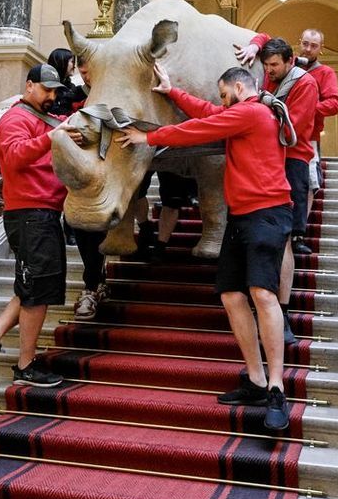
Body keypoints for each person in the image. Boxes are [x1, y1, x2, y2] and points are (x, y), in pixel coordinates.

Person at [121, 64, 295, 433]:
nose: (220, 100)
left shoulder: (252, 112)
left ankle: (277, 386)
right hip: (242, 215)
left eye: (223, 93)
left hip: (267, 214)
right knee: (232, 295)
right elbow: (210, 113)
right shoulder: (243, 111)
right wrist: (171, 91)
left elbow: (200, 127)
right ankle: (255, 379)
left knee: (262, 294)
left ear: (237, 87)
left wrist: (147, 138)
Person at [0, 65, 70, 388]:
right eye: (46, 89)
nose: (52, 96)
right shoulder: (15, 119)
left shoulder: (46, 120)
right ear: (29, 86)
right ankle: (25, 364)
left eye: (55, 91)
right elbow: (12, 157)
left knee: (34, 286)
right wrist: (51, 138)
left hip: (44, 213)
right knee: (35, 290)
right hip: (30, 213)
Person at [259, 38, 318, 347]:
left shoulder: (305, 84)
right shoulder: (271, 78)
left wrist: (258, 114)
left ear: (289, 61)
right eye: (266, 66)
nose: (269, 72)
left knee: (284, 240)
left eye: (274, 66)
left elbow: (293, 129)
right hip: (268, 160)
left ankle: (281, 313)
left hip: (293, 160)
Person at [45, 47, 111, 318]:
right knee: (86, 230)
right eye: (81, 70)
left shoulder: (113, 92)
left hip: (110, 168)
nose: (84, 75)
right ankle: (92, 285)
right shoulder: (72, 94)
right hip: (81, 173)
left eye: (87, 71)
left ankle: (96, 283)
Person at [293, 29, 338, 251]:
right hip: (283, 135)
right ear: (299, 43)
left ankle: (298, 233)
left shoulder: (326, 73)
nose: (308, 48)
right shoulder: (289, 67)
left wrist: (306, 108)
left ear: (320, 48)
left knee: (308, 184)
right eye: (305, 43)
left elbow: (333, 104)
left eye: (314, 45)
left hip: (309, 137)